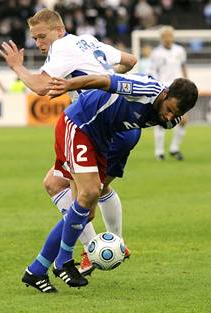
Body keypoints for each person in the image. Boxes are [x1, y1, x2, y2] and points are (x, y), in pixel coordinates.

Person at [0, 8, 138, 278]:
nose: (38, 43)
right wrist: (104, 81)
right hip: (120, 124)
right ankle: (114, 243)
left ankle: (86, 251)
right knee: (88, 188)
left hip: (97, 126)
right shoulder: (86, 40)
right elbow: (130, 61)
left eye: (42, 36)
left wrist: (17, 66)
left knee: (76, 197)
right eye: (35, 38)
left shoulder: (62, 47)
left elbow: (41, 87)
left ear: (59, 31)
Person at [34, 72, 197, 292]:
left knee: (85, 206)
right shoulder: (145, 89)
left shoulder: (170, 119)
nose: (169, 117)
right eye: (169, 109)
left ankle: (38, 269)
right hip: (81, 124)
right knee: (87, 195)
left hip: (105, 139)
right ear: (165, 93)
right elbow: (104, 80)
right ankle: (63, 261)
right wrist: (68, 85)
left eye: (176, 114)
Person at [149, 26, 189, 161]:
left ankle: (174, 148)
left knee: (183, 120)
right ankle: (159, 152)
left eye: (170, 35)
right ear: (161, 38)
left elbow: (183, 67)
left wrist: (187, 83)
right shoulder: (156, 53)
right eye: (165, 36)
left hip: (179, 89)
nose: (168, 38)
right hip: (164, 90)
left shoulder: (180, 50)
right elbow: (152, 71)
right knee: (161, 119)